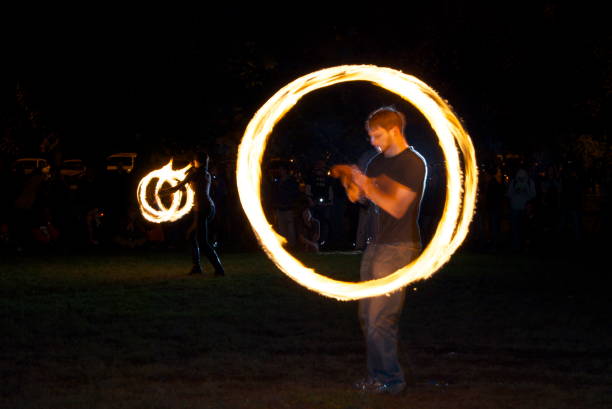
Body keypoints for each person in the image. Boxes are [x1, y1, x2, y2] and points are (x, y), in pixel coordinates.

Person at [332, 106, 427, 395]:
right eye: (370, 136)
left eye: (377, 135)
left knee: (379, 318)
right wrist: (349, 180)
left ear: (395, 130)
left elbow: (397, 207)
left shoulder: (412, 163)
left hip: (398, 247)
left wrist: (365, 185)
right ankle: (378, 377)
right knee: (367, 317)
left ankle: (391, 380)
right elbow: (360, 199)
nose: (372, 141)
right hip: (375, 246)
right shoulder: (375, 162)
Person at [161, 151, 225, 276]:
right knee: (192, 236)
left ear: (197, 161)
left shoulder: (195, 173)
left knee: (203, 241)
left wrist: (161, 192)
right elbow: (196, 189)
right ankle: (197, 267)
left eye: (194, 160)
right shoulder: (206, 173)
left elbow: (177, 187)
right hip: (210, 207)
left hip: (202, 208)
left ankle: (219, 269)